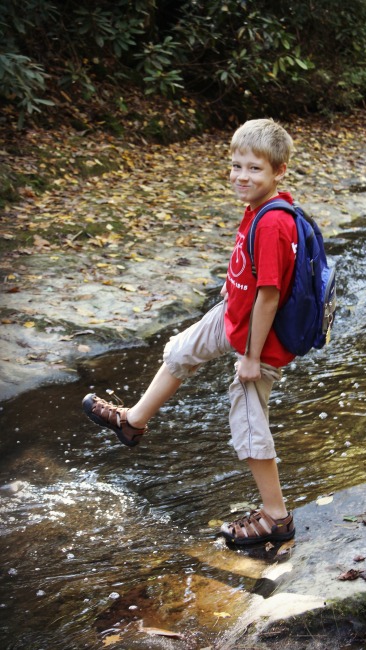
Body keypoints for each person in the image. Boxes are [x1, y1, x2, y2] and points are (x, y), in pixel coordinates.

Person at [83, 118, 298, 546]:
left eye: (254, 168)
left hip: (261, 338)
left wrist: (251, 358)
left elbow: (270, 297)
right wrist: (231, 284)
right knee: (182, 350)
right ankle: (133, 422)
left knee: (249, 420)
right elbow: (251, 265)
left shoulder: (275, 221)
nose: (242, 175)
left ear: (279, 172)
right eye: (237, 165)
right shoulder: (258, 208)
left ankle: (277, 517)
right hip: (234, 314)